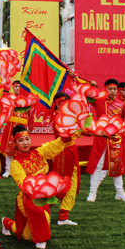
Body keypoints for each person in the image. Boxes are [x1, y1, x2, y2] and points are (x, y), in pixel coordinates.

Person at [1, 125, 76, 249]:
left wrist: (69, 135)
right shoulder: (16, 163)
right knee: (39, 218)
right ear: (15, 143)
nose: (25, 143)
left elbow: (54, 145)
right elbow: (23, 182)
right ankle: (40, 239)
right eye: (20, 140)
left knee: (27, 234)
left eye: (27, 139)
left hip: (44, 193)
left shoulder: (38, 153)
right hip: (28, 196)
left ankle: (8, 223)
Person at [86, 78, 125, 202]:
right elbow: (88, 95)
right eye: (110, 89)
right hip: (101, 137)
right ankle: (92, 192)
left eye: (114, 89)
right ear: (105, 89)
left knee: (117, 165)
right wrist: (92, 86)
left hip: (116, 138)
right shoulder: (99, 101)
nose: (112, 91)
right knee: (98, 165)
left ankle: (120, 192)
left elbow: (123, 121)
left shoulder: (121, 104)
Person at [50, 92, 80, 225]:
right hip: (63, 152)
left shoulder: (64, 117)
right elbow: (66, 136)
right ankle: (43, 208)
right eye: (62, 103)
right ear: (57, 104)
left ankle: (63, 215)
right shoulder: (59, 118)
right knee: (65, 182)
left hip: (68, 151)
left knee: (66, 182)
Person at [1, 80, 33, 177]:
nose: (18, 88)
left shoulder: (27, 100)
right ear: (13, 88)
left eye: (19, 86)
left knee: (23, 149)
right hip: (11, 126)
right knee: (9, 149)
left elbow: (31, 115)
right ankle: (8, 170)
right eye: (16, 86)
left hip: (23, 128)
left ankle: (23, 169)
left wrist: (30, 128)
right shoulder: (9, 98)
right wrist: (2, 126)